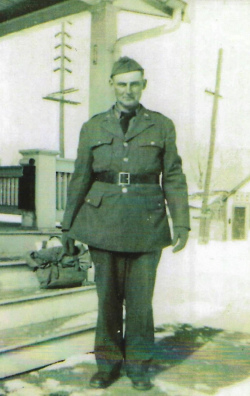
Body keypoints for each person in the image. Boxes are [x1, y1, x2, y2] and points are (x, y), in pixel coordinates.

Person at [61, 56, 190, 391]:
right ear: (112, 86)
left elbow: (173, 176)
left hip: (147, 225)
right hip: (102, 223)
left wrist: (182, 223)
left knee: (140, 302)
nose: (128, 90)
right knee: (107, 300)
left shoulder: (161, 125)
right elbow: (80, 178)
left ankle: (138, 367)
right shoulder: (93, 126)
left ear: (143, 85)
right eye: (122, 83)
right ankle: (106, 366)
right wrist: (67, 227)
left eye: (135, 83)